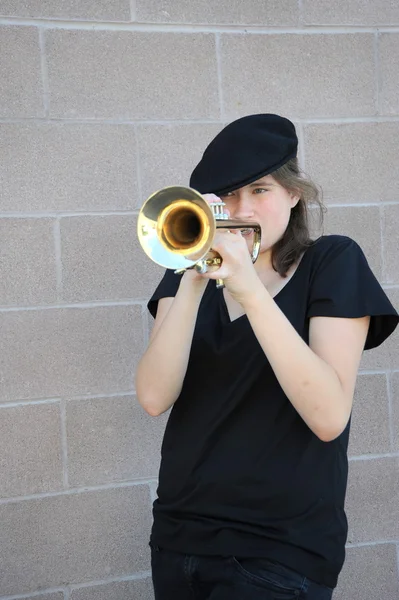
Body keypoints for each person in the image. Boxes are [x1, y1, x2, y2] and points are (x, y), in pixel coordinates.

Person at [135, 114, 399, 600]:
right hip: (180, 536)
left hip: (281, 552)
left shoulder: (332, 262)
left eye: (260, 190)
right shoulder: (185, 272)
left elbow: (328, 416)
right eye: (229, 196)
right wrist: (195, 278)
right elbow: (153, 396)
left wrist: (249, 288)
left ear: (293, 194)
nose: (244, 209)